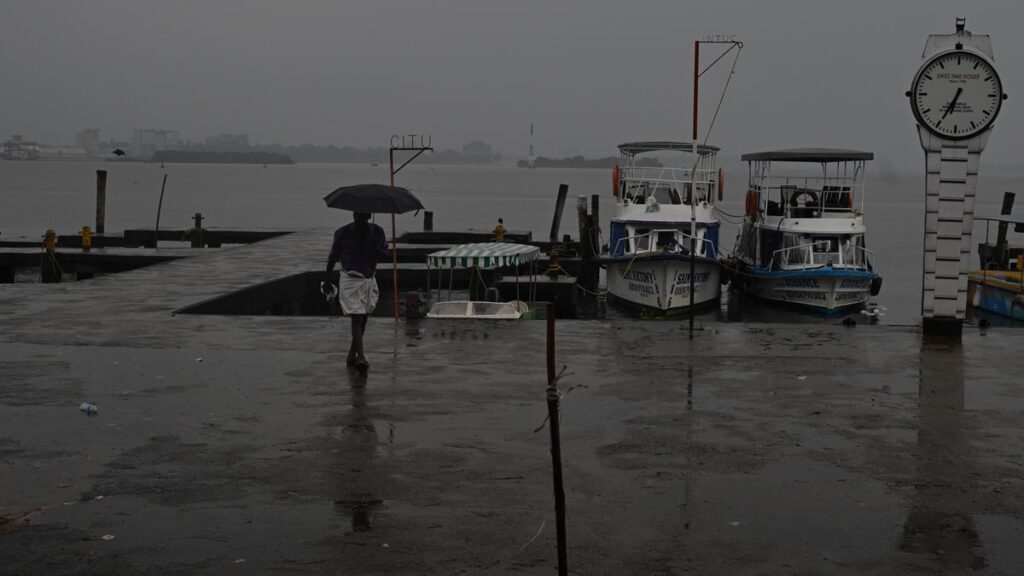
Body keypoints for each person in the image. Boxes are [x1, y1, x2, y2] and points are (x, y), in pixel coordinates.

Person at [324, 212, 389, 371]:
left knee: (364, 318)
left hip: (368, 278)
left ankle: (351, 354)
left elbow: (385, 255)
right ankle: (361, 357)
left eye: (362, 215)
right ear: (353, 215)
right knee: (357, 317)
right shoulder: (343, 233)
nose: (359, 218)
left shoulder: (377, 232)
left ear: (368, 216)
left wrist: (374, 247)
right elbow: (332, 257)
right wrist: (327, 279)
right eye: (356, 215)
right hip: (350, 278)